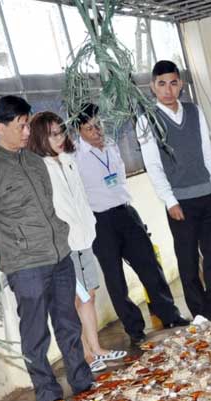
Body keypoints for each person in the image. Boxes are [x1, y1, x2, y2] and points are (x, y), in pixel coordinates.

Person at [0, 96, 92, 401]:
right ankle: (49, 395)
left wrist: (61, 235)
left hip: (59, 257)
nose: (28, 131)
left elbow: (49, 206)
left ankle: (83, 382)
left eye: (27, 124)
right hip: (25, 267)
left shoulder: (35, 161)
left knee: (69, 325)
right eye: (21, 125)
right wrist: (9, 262)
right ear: (1, 128)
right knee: (35, 335)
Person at [74, 103, 189, 345]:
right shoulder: (76, 156)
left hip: (126, 213)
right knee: (115, 278)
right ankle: (134, 329)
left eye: (98, 125)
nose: (96, 131)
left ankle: (170, 314)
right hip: (100, 221)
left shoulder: (112, 145)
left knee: (149, 265)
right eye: (89, 128)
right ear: (79, 131)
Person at [136, 60, 211, 327]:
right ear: (152, 86)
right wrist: (170, 201)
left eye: (173, 83)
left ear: (180, 84)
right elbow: (154, 167)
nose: (168, 90)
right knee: (188, 258)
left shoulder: (194, 111)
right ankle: (200, 312)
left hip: (207, 194)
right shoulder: (147, 121)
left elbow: (207, 149)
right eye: (161, 84)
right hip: (179, 202)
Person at [28, 111, 127, 372]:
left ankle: (97, 348)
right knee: (74, 300)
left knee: (89, 296)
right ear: (40, 136)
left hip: (84, 238)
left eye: (61, 132)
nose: (60, 138)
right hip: (65, 244)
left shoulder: (69, 160)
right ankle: (86, 354)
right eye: (53, 134)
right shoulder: (40, 168)